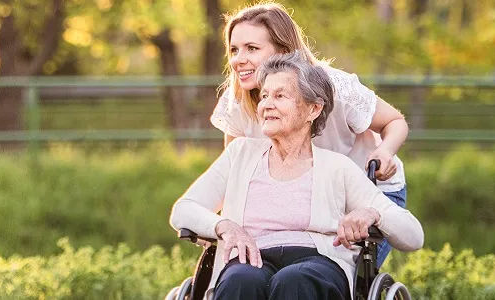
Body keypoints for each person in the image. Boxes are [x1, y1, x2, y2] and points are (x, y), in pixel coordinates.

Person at [170, 51, 423, 300]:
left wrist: (372, 214)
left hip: (318, 263)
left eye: (280, 96)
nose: (267, 104)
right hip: (249, 260)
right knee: (240, 282)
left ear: (313, 109)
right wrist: (223, 225)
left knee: (295, 280)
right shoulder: (240, 154)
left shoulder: (337, 167)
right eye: (265, 95)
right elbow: (183, 210)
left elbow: (413, 235)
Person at [210, 2, 409, 267]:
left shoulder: (334, 87)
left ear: (283, 51)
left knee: (337, 279)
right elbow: (233, 176)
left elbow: (395, 122)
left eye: (252, 49)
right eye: (234, 49)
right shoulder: (236, 101)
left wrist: (384, 152)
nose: (238, 59)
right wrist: (214, 221)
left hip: (364, 195)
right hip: (301, 202)